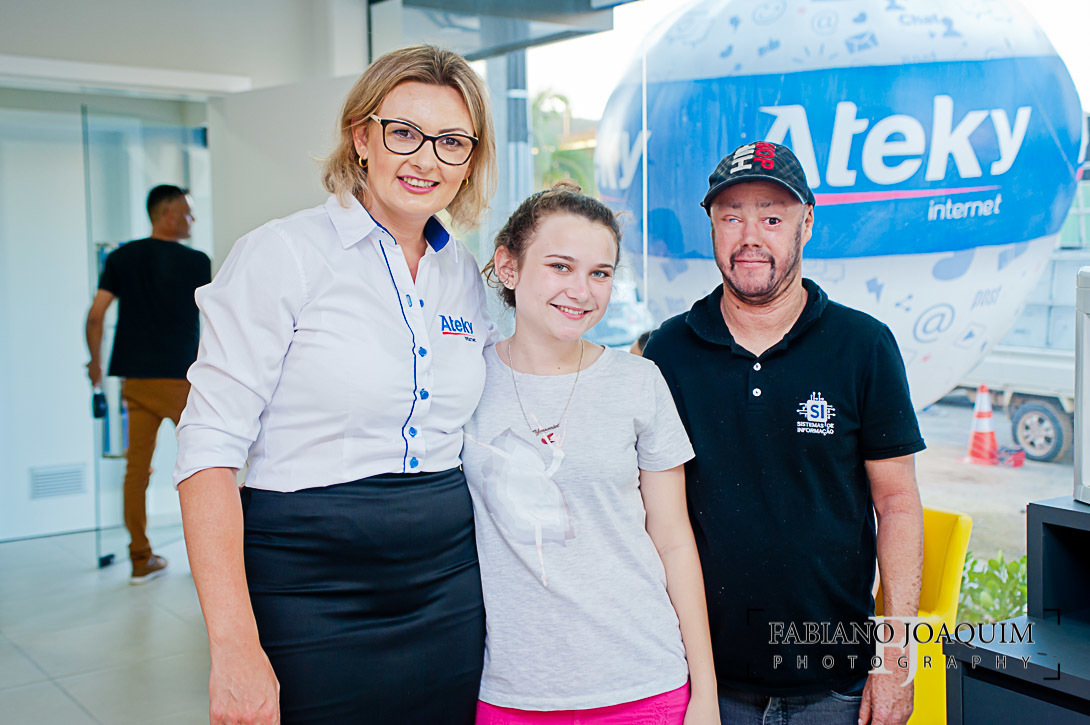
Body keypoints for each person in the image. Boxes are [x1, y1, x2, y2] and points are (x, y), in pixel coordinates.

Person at [173, 45, 497, 724]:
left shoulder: (463, 273)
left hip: (447, 583)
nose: (426, 159)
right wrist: (233, 647)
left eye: (451, 141)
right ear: (362, 137)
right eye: (403, 132)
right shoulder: (281, 254)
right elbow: (207, 451)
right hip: (308, 584)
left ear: (469, 160)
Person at [642, 142, 925, 725]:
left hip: (837, 684)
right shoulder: (669, 350)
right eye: (732, 217)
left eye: (771, 218)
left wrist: (895, 657)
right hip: (703, 684)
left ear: (807, 224)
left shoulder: (863, 345)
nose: (750, 237)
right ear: (712, 227)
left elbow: (897, 504)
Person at [464, 182, 719, 725]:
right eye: (560, 266)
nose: (581, 291)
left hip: (646, 684)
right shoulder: (464, 380)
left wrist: (706, 692)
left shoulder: (639, 380)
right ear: (508, 267)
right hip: (514, 692)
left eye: (600, 273)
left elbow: (673, 540)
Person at [84, 184, 210, 583]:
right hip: (180, 380)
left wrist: (95, 364)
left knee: (136, 471)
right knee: (205, 467)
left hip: (135, 381)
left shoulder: (121, 258)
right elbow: (216, 318)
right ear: (168, 214)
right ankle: (211, 558)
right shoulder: (197, 262)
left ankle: (140, 558)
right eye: (187, 212)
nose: (192, 219)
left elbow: (96, 315)